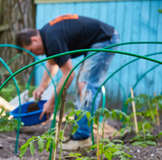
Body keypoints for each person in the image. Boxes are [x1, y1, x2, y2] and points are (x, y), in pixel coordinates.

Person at [16, 14, 119, 150]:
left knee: (85, 84)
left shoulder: (52, 37)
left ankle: (82, 138)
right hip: (101, 38)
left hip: (105, 40)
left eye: (31, 50)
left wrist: (52, 103)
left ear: (34, 39)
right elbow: (52, 63)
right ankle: (81, 134)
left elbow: (69, 74)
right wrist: (42, 86)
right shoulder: (48, 35)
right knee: (83, 83)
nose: (34, 54)